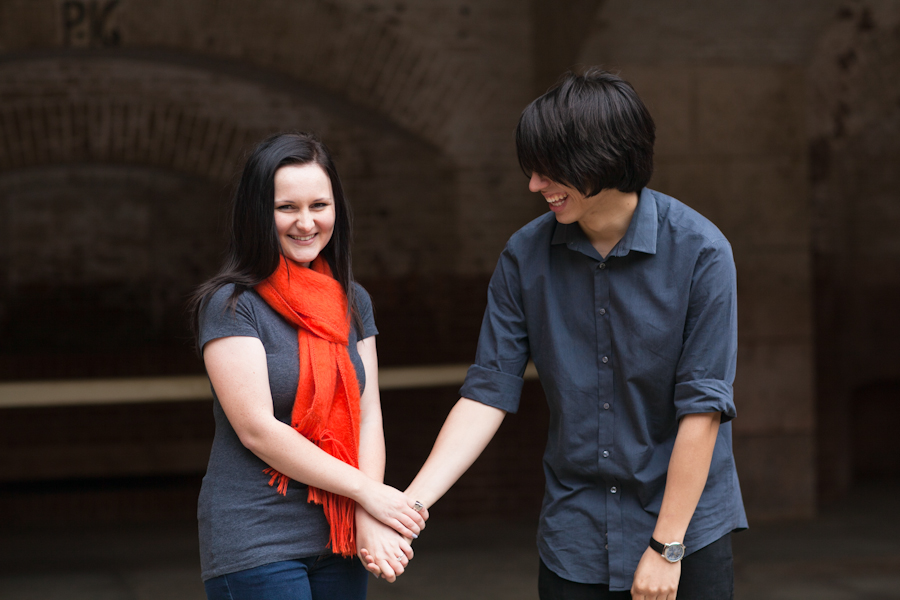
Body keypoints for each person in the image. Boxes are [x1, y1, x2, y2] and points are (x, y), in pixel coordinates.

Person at [373, 69, 748, 599]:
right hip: (575, 535)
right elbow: (487, 392)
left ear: (605, 156)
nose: (533, 185)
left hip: (686, 533)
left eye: (549, 169)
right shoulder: (523, 257)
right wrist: (412, 506)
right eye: (531, 169)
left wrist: (666, 547)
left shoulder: (701, 253)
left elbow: (702, 410)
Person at [190, 132, 427, 600]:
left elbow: (369, 411)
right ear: (258, 213)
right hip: (257, 536)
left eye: (319, 205)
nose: (305, 223)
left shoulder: (352, 302)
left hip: (338, 535)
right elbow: (257, 428)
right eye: (286, 208)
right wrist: (367, 493)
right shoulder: (232, 305)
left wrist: (366, 511)